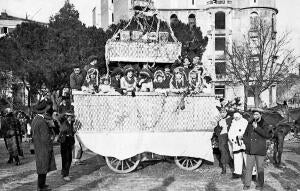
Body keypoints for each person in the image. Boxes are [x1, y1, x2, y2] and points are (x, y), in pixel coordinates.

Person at [243, 111, 272, 190]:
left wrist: (257, 128)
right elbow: (245, 135)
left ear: (261, 115)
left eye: (257, 114)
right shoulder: (250, 124)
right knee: (248, 168)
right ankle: (247, 184)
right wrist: (247, 144)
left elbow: (267, 135)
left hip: (260, 150)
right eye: (254, 114)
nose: (255, 116)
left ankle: (260, 184)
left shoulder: (265, 124)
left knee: (260, 168)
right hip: (250, 150)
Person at [31, 101, 56, 191]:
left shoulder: (35, 119)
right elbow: (45, 138)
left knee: (42, 167)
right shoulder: (41, 121)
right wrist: (51, 141)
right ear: (44, 110)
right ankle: (40, 187)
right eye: (46, 109)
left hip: (38, 146)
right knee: (43, 168)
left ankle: (42, 185)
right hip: (43, 148)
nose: (47, 110)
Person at [57, 111, 75, 181]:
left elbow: (71, 132)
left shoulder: (72, 123)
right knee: (66, 159)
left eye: (71, 116)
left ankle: (64, 172)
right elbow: (58, 117)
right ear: (66, 116)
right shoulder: (63, 121)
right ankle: (65, 174)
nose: (70, 117)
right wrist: (64, 113)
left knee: (69, 159)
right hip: (64, 141)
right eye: (69, 116)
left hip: (69, 141)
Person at [214, 110, 232, 174]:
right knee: (223, 150)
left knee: (231, 150)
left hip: (230, 136)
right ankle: (224, 169)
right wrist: (218, 132)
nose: (222, 114)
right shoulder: (220, 121)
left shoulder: (231, 119)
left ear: (226, 113)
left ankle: (235, 168)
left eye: (224, 112)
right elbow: (216, 129)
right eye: (221, 112)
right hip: (222, 137)